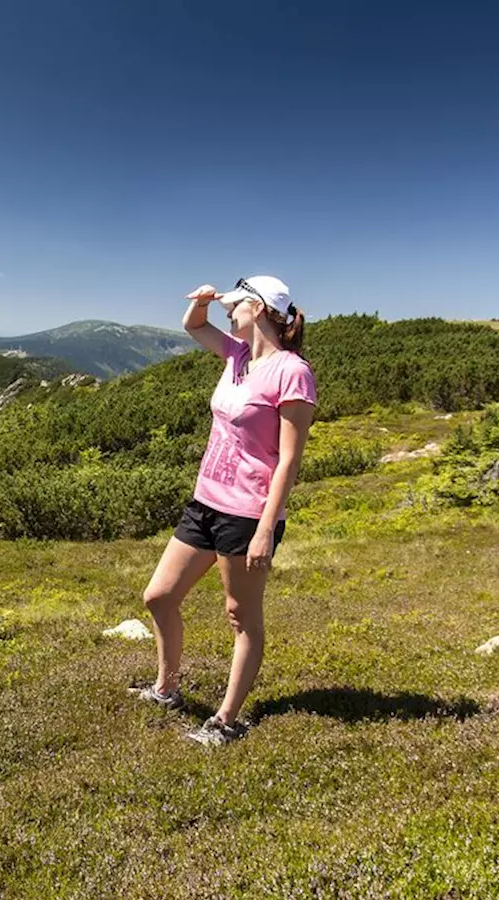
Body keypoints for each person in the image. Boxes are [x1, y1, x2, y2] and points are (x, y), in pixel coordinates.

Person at [131, 276, 316, 745]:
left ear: (256, 308)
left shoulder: (292, 372)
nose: (229, 313)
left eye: (236, 306)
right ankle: (167, 688)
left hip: (248, 513)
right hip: (206, 502)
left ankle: (227, 721)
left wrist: (264, 529)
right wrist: (205, 300)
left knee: (242, 617)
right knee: (159, 596)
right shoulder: (236, 355)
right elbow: (194, 326)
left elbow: (289, 459)